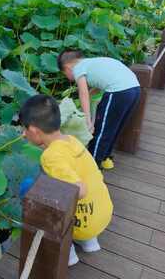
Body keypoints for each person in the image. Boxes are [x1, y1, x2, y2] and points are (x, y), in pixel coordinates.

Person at [19, 94, 113, 266]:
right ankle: (89, 243)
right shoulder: (71, 140)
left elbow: (81, 190)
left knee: (28, 188)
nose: (23, 134)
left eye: (25, 130)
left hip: (80, 223)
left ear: (33, 130)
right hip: (102, 214)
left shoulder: (50, 157)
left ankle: (67, 254)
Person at [57, 50, 141, 170]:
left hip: (118, 92)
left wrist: (88, 121)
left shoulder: (78, 68)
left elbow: (83, 93)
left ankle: (91, 166)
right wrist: (89, 96)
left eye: (65, 74)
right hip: (135, 89)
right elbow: (98, 84)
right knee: (113, 128)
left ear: (67, 67)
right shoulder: (92, 63)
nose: (68, 78)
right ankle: (105, 158)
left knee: (101, 131)